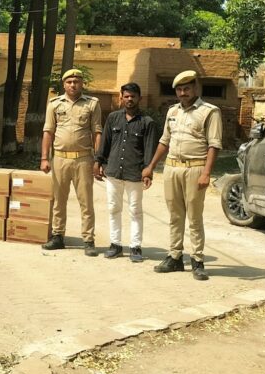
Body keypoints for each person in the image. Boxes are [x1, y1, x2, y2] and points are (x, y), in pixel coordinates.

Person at [141, 70, 222, 281]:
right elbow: (164, 141)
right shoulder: (172, 111)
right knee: (175, 216)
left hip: (195, 168)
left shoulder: (209, 112)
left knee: (194, 217)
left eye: (187, 88)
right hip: (172, 168)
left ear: (195, 88)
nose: (183, 93)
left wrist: (206, 173)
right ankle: (175, 256)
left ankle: (197, 260)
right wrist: (151, 166)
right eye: (179, 89)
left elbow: (214, 145)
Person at [94, 83, 158, 263]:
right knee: (113, 208)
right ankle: (115, 244)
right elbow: (105, 142)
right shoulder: (113, 118)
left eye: (133, 96)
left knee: (135, 211)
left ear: (139, 98)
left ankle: (135, 247)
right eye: (126, 96)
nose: (130, 99)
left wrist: (148, 172)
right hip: (113, 172)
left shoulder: (147, 122)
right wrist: (98, 161)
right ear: (121, 98)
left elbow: (149, 149)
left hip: (135, 173)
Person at [41, 68, 103, 255]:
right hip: (60, 158)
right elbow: (48, 132)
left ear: (82, 83)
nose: (73, 85)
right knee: (58, 200)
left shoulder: (92, 104)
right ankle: (57, 236)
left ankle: (88, 240)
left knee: (86, 202)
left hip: (83, 159)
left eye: (76, 81)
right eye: (69, 82)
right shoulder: (54, 104)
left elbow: (97, 132)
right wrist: (44, 158)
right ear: (64, 84)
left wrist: (98, 160)